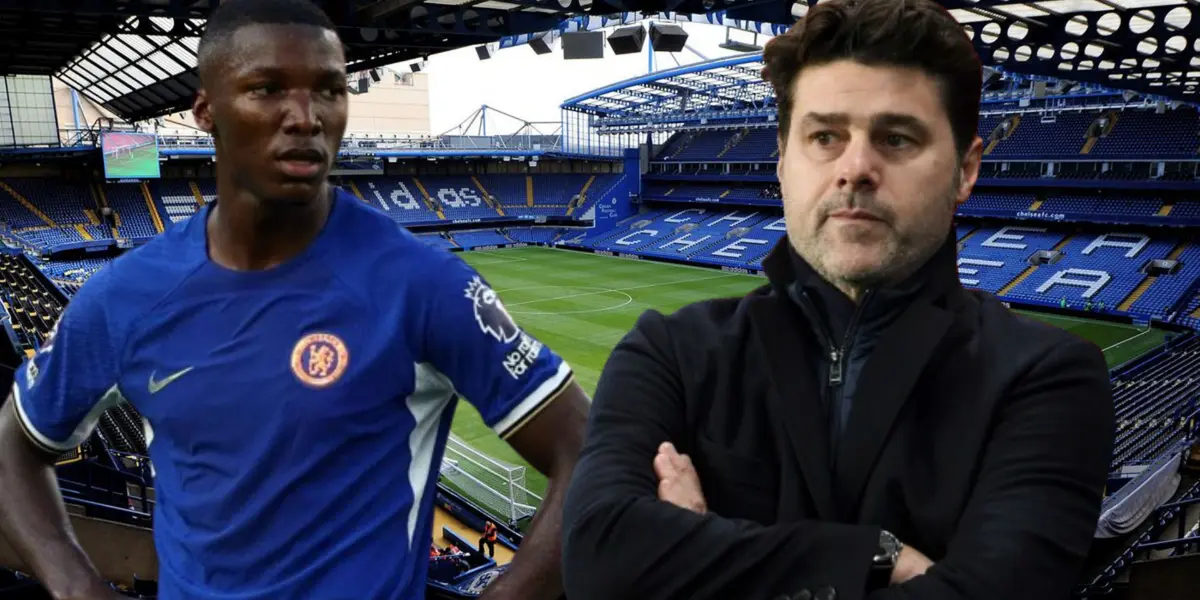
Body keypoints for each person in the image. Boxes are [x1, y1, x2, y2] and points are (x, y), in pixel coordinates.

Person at [0, 1, 588, 599]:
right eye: (267, 88)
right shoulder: (124, 298)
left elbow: (589, 452)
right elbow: (15, 446)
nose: (305, 116)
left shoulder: (424, 286)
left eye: (329, 90)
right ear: (206, 111)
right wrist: (74, 585)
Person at [560, 1, 1114, 599]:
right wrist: (881, 557)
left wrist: (697, 556)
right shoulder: (670, 354)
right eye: (825, 136)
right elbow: (600, 561)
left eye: (896, 138)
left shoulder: (1046, 380)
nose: (855, 168)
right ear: (781, 161)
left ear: (965, 169)